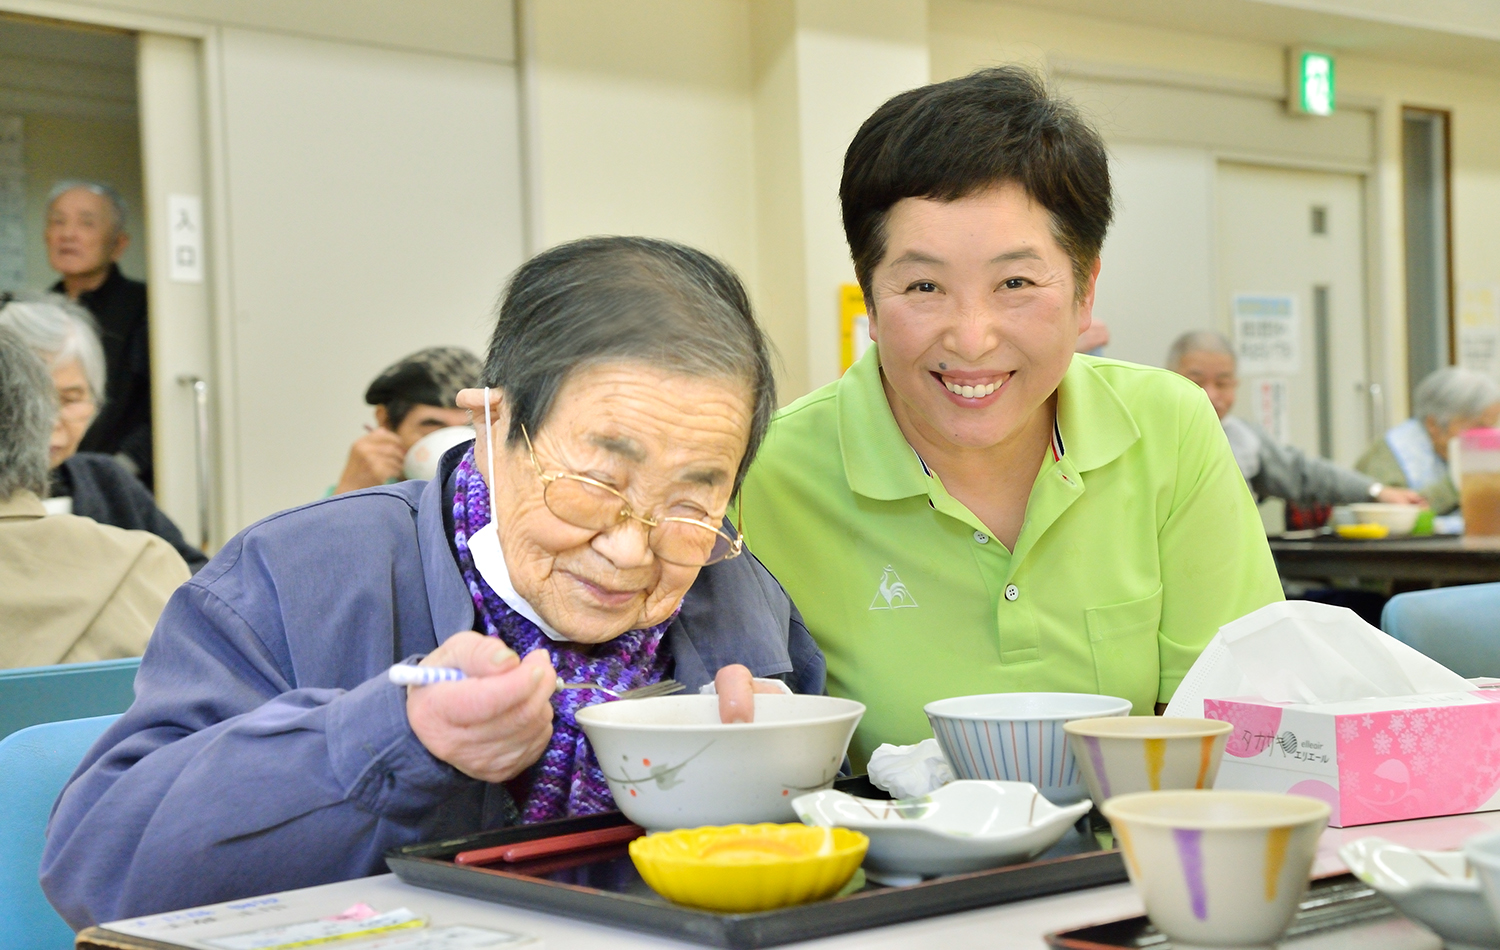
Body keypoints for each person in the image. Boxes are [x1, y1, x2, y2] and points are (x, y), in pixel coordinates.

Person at [43, 236, 825, 927]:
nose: (629, 551)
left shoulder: (740, 596)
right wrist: (397, 737)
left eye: (691, 503)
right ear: (489, 429)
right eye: (595, 484)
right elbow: (100, 865)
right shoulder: (294, 578)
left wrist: (784, 787)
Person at [736, 66, 1283, 768]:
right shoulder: (767, 470)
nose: (971, 337)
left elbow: (1237, 722)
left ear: (1086, 292)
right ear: (870, 303)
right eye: (924, 285)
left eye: (1016, 283)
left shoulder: (1167, 425)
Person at [0, 327, 188, 669]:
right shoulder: (146, 564)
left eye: (71, 399)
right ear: (31, 418)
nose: (57, 421)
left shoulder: (107, 480)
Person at [0, 293, 207, 572]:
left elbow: (198, 576)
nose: (49, 420)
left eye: (71, 399)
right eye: (31, 400)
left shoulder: (108, 482)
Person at [1167, 330, 1423, 507]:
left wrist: (1377, 492)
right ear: (1166, 378)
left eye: (1223, 383)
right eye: (1196, 381)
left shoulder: (1241, 436)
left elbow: (1303, 474)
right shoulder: (1146, 433)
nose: (1210, 395)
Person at [45, 181, 153, 488]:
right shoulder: (32, 311)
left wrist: (119, 471)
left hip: (121, 484)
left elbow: (160, 408)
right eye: (58, 221)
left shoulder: (147, 306)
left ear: (119, 243)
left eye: (86, 223)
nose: (68, 234)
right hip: (44, 482)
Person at [333, 346, 481, 495]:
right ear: (386, 421)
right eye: (433, 425)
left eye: (470, 427)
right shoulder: (357, 497)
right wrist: (352, 491)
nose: (455, 446)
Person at [1355, 366, 1500, 515]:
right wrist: (1456, 483)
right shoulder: (1389, 457)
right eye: (1478, 427)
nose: (1488, 436)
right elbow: (1395, 516)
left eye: (1492, 427)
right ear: (1433, 424)